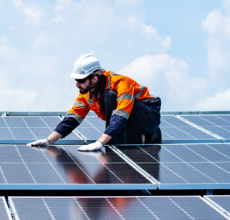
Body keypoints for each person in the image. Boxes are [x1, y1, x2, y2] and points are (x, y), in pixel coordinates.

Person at [29, 54, 161, 152]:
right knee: (119, 135)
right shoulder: (86, 94)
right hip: (129, 125)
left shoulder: (120, 83)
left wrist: (100, 143)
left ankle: (117, 147)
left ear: (95, 78)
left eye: (81, 81)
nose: (77, 84)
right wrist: (48, 140)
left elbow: (120, 116)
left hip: (149, 118)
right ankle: (148, 138)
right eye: (76, 80)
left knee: (111, 97)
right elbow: (72, 119)